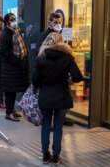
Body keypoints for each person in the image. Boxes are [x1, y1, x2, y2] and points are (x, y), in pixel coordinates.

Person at [32, 32, 83, 165]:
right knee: (58, 127)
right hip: (62, 97)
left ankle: (45, 155)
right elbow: (78, 76)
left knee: (46, 126)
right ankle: (55, 156)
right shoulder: (67, 57)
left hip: (45, 97)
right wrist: (68, 79)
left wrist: (38, 86)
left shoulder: (41, 57)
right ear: (61, 42)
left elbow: (35, 80)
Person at [36, 12, 75, 127]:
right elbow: (39, 51)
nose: (58, 24)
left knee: (60, 97)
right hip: (49, 72)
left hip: (59, 71)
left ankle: (60, 118)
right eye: (55, 22)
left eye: (60, 22)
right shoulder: (45, 35)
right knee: (51, 100)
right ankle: (51, 121)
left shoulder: (61, 34)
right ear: (50, 22)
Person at [0, 13, 29, 122]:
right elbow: (3, 51)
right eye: (12, 19)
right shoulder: (5, 34)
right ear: (7, 21)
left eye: (14, 19)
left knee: (13, 90)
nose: (14, 21)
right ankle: (8, 113)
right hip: (9, 68)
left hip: (16, 67)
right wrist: (15, 60)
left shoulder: (16, 31)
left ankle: (12, 110)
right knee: (9, 91)